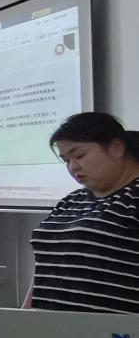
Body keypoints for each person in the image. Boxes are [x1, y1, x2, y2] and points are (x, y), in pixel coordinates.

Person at [28, 111, 139, 313]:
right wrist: (24, 316)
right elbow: (46, 270)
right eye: (66, 160)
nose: (73, 167)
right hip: (47, 326)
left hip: (114, 330)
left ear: (116, 148)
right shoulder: (71, 201)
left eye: (79, 155)